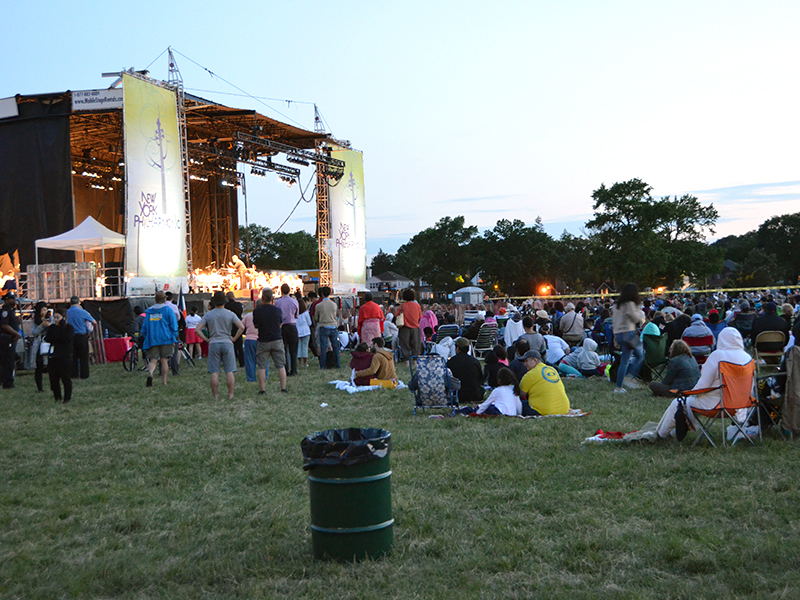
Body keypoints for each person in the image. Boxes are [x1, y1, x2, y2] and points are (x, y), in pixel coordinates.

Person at [657, 328, 753, 439]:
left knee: (678, 403)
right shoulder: (748, 358)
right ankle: (673, 432)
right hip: (740, 406)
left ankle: (661, 434)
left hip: (716, 405)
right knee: (689, 403)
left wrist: (690, 394)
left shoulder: (717, 356)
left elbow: (703, 385)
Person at [196, 290, 245, 400]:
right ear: (225, 301)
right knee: (229, 370)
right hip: (227, 342)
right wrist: (234, 338)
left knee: (214, 372)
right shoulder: (230, 314)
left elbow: (197, 330)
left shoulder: (209, 315)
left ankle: (215, 396)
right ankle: (231, 395)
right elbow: (241, 327)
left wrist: (207, 339)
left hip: (214, 343)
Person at [612, 283, 646, 393]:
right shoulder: (630, 304)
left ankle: (619, 387)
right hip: (628, 333)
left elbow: (614, 322)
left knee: (624, 361)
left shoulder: (616, 305)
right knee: (640, 355)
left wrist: (615, 338)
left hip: (619, 334)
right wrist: (642, 317)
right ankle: (629, 376)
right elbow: (635, 318)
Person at [252, 287, 287, 394]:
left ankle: (262, 389)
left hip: (263, 340)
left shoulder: (257, 311)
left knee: (262, 366)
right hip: (276, 339)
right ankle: (283, 388)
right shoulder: (277, 310)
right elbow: (280, 323)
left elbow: (255, 325)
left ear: (262, 298)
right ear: (272, 298)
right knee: (280, 365)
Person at [141, 291, 179, 388]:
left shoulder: (149, 312)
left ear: (155, 300)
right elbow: (174, 325)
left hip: (152, 338)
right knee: (164, 360)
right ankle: (164, 381)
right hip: (166, 338)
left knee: (153, 360)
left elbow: (144, 327)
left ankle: (150, 374)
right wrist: (174, 334)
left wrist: (146, 336)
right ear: (165, 299)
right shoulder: (168, 310)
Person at [519, 349, 570, 416]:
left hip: (543, 411)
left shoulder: (530, 374)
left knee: (518, 404)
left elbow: (521, 394)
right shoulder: (552, 369)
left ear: (534, 360)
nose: (525, 364)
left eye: (526, 361)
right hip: (564, 409)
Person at [43, 308, 74, 403]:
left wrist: (61, 329)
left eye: (58, 317)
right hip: (53, 355)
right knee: (54, 378)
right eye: (54, 317)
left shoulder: (68, 328)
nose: (55, 319)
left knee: (65, 377)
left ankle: (67, 398)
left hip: (65, 355)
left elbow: (66, 338)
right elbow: (48, 338)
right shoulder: (52, 328)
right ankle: (57, 397)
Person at [447, 337, 484, 406]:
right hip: (475, 395)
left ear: (457, 348)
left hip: (458, 396)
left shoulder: (451, 362)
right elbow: (481, 379)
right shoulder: (475, 361)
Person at [67, 295, 95, 380]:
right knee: (83, 357)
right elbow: (94, 322)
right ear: (79, 303)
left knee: (73, 357)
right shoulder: (83, 312)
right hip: (82, 336)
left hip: (71, 337)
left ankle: (74, 374)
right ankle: (84, 374)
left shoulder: (67, 312)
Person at [275, 283, 299, 376]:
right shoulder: (294, 301)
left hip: (282, 326)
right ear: (289, 291)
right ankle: (294, 369)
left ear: (281, 291)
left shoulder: (277, 302)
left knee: (283, 349)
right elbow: (297, 315)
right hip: (292, 326)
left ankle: (285, 369)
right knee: (293, 349)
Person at [314, 286, 340, 369]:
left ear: (321, 293)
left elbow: (316, 318)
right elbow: (336, 315)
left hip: (324, 326)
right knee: (335, 346)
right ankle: (337, 364)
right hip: (333, 326)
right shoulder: (334, 305)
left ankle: (323, 365)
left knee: (323, 347)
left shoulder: (319, 305)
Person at [28, 301, 50, 393]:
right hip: (39, 345)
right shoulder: (35, 321)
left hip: (48, 343)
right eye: (42, 310)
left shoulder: (50, 318)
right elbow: (34, 332)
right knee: (39, 367)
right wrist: (42, 325)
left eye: (45, 310)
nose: (44, 312)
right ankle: (39, 388)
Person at [0, 293, 21, 389]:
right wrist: (15, 333)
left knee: (10, 361)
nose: (14, 300)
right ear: (6, 300)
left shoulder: (12, 311)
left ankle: (6, 380)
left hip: (11, 339)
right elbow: (4, 325)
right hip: (6, 339)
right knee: (7, 361)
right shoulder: (5, 311)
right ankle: (7, 383)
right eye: (12, 299)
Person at [397, 288, 422, 360]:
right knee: (416, 347)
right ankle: (415, 362)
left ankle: (407, 362)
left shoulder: (402, 306)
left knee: (405, 346)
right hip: (415, 328)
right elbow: (420, 317)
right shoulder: (417, 306)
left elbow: (397, 315)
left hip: (404, 328)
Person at [225, 291, 245, 368]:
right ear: (234, 296)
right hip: (237, 325)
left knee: (230, 345)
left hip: (229, 326)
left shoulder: (226, 306)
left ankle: (231, 361)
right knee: (239, 346)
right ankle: (242, 362)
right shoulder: (238, 305)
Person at [241, 309, 259, 383]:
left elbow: (241, 325)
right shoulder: (265, 314)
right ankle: (264, 375)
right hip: (262, 338)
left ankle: (251, 378)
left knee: (249, 360)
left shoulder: (248, 315)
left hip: (249, 338)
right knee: (264, 359)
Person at [296, 297, 312, 368]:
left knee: (299, 347)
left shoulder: (295, 313)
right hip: (306, 331)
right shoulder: (306, 313)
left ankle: (300, 362)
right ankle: (305, 362)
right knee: (305, 347)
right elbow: (310, 323)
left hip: (297, 331)